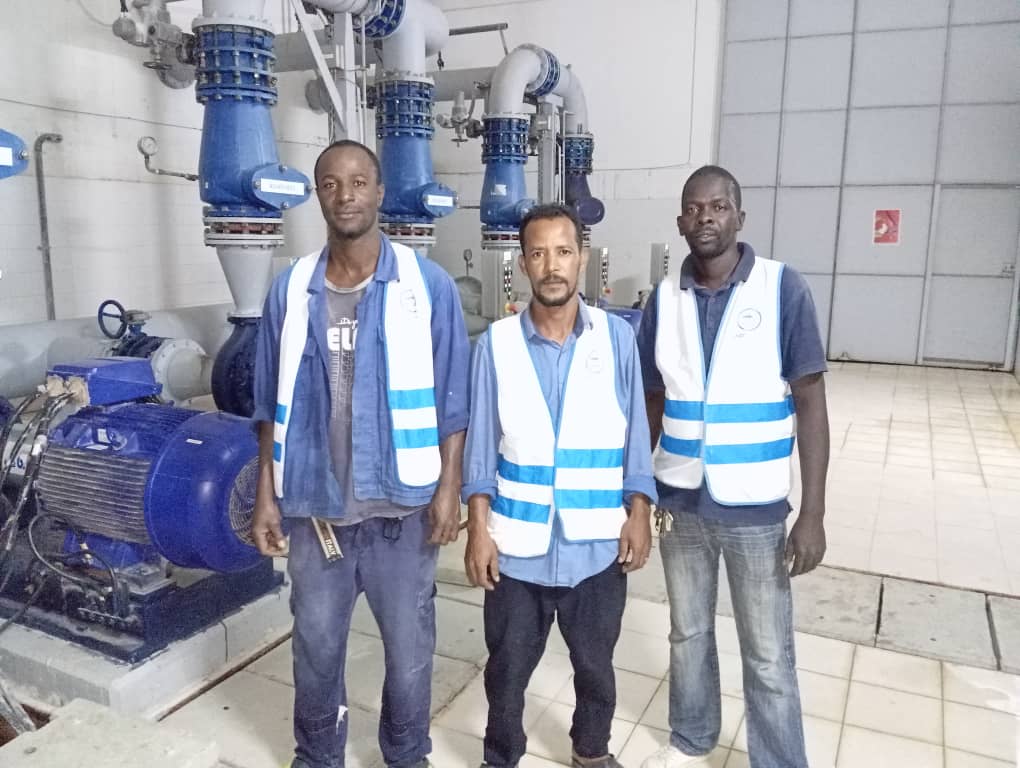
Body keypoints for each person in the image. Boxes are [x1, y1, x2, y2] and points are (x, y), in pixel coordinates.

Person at [250, 139, 470, 768]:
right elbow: (267, 403)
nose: (344, 195)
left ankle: (407, 754)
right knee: (316, 648)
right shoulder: (290, 289)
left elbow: (454, 401)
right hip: (316, 510)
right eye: (330, 183)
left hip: (403, 511)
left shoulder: (427, 286)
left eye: (357, 182)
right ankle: (318, 756)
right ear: (318, 196)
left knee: (410, 651)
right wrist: (266, 495)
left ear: (379, 192)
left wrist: (449, 490)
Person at [637, 166, 829, 768]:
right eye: (695, 208)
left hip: (756, 507)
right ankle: (691, 740)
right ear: (680, 222)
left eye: (718, 206)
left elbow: (811, 403)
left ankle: (778, 759)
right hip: (680, 503)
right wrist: (638, 490)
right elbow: (651, 400)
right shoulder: (663, 300)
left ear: (739, 217)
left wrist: (813, 513)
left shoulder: (781, 288)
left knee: (768, 652)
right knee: (688, 633)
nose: (706, 217)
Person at [462, 203, 658, 768]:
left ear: (582, 259)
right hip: (516, 548)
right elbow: (480, 448)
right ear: (523, 263)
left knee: (595, 667)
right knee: (506, 672)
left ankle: (590, 752)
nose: (552, 266)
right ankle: (501, 756)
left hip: (595, 544)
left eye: (564, 252)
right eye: (539, 253)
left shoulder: (616, 339)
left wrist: (640, 512)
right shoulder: (495, 345)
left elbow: (635, 435)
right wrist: (478, 531)